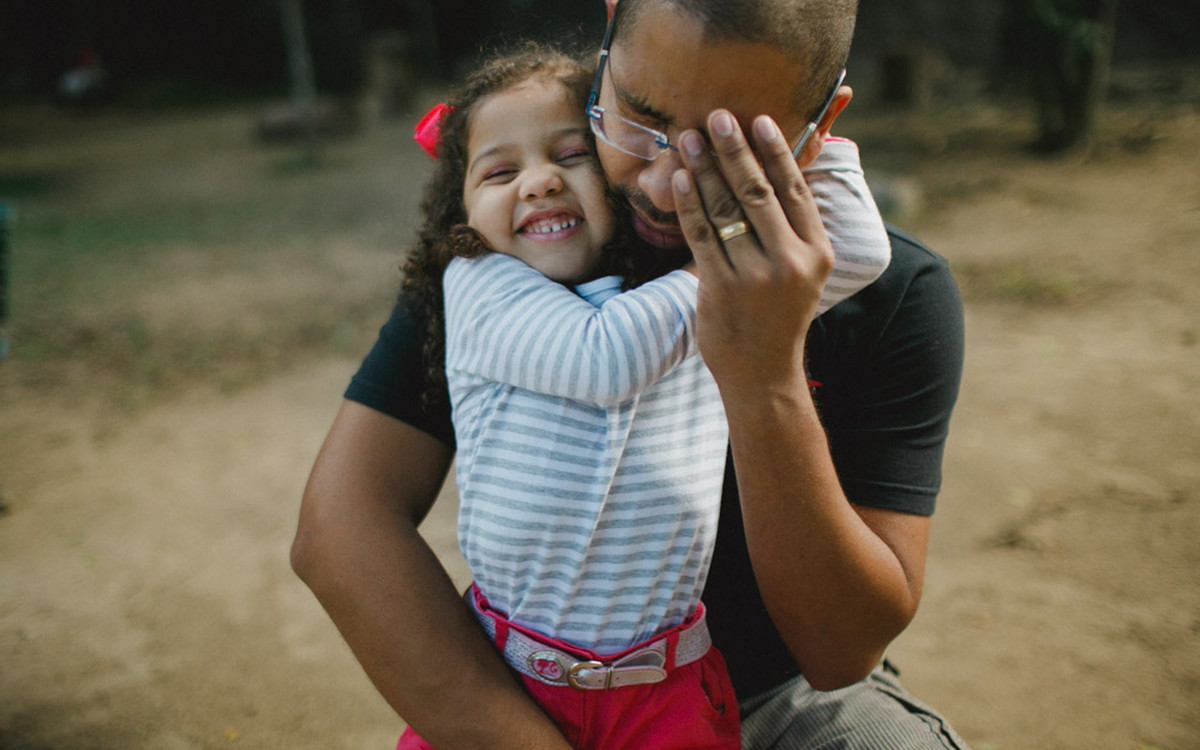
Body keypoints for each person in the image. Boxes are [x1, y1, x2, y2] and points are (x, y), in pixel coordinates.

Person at [291, 0, 969, 748]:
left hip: (778, 698)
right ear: (609, 31)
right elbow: (341, 525)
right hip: (526, 698)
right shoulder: (522, 242)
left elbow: (840, 654)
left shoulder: (894, 291)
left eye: (727, 145)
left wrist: (763, 379)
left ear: (820, 124)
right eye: (638, 117)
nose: (663, 182)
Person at [391, 42, 889, 749]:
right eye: (501, 171)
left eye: (569, 159)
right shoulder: (480, 283)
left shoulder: (662, 296)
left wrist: (806, 135)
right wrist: (730, 279)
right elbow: (605, 360)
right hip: (509, 678)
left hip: (668, 695)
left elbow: (863, 252)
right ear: (461, 211)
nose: (537, 183)